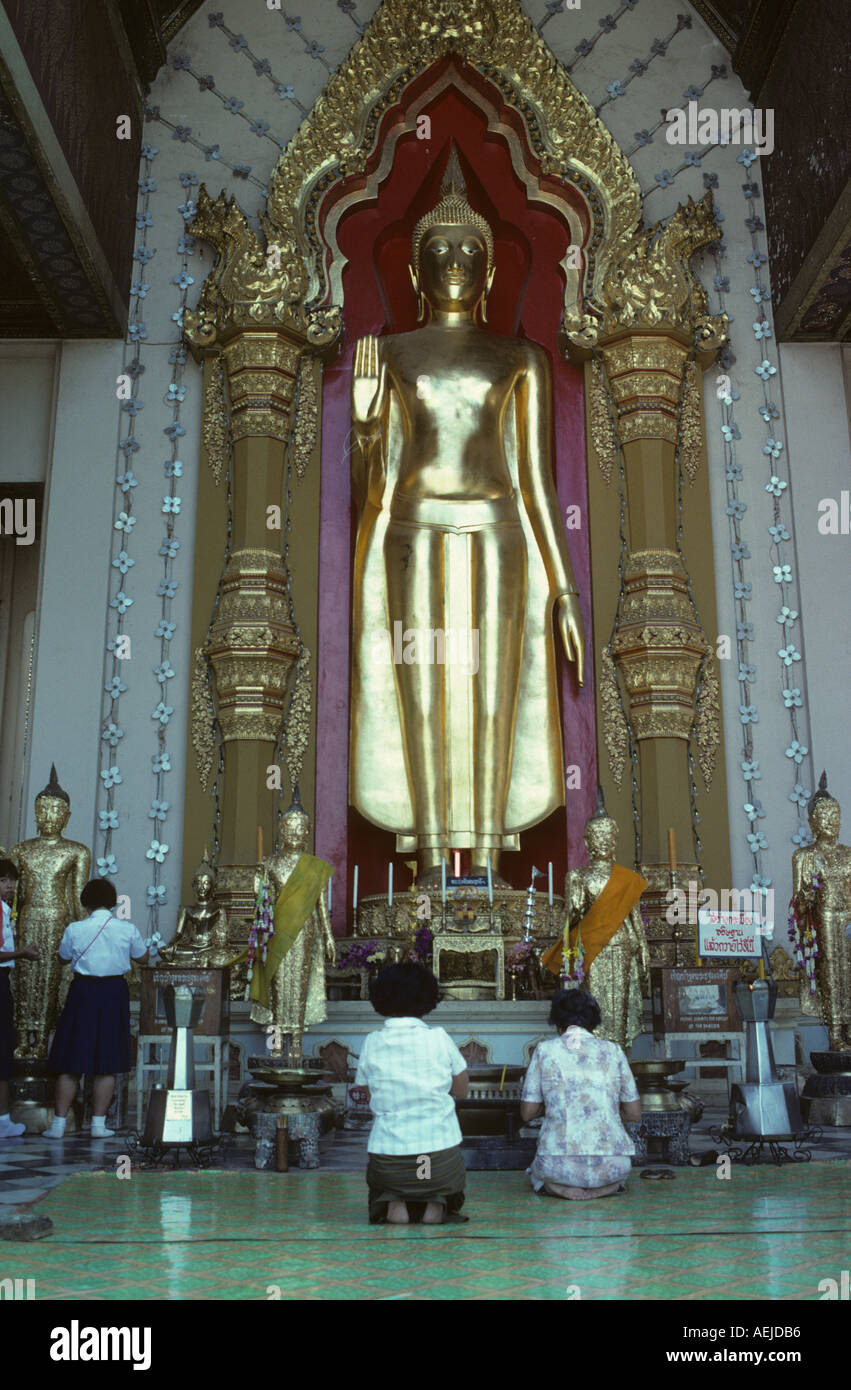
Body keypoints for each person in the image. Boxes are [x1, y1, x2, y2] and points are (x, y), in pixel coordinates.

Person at [355, 962, 469, 1225]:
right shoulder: (439, 1038)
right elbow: (461, 1089)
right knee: (432, 1175)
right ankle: (434, 1202)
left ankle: (395, 1201)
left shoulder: (373, 1041)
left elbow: (367, 1091)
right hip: (437, 1160)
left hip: (389, 1160)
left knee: (395, 1182)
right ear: (428, 997)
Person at [42, 879, 148, 1139]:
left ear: (85, 902)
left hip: (82, 991)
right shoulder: (127, 929)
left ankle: (58, 1125)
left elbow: (62, 957)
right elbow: (143, 958)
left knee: (71, 1061)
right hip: (114, 993)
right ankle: (99, 1125)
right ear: (113, 902)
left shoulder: (75, 928)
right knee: (107, 1062)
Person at [520, 987, 641, 1200]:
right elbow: (633, 1113)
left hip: (557, 1165)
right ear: (593, 1021)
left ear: (557, 1023)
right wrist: (601, 1111)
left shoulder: (544, 1051)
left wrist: (556, 1108)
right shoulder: (613, 1051)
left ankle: (564, 1189)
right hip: (613, 1165)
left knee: (540, 1173)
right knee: (618, 1174)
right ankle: (604, 1188)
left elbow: (527, 1113)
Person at [0, 859, 41, 1138]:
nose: (10, 886)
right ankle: (3, 1119)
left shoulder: (6, 910)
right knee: (3, 1049)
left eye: (12, 880)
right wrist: (22, 953)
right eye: (3, 880)